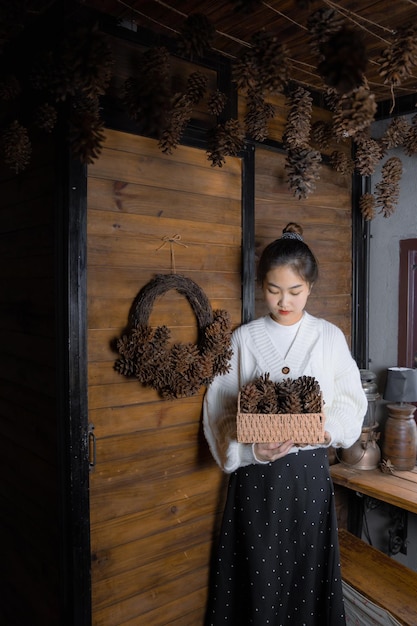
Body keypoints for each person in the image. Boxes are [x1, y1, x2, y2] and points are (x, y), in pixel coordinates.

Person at [203, 222, 367, 626]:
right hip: (257, 479)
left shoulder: (329, 337)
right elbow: (220, 409)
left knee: (307, 579)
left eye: (294, 291)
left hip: (309, 477)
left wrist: (330, 431)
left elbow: (350, 399)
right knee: (258, 578)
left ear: (310, 287)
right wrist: (249, 451)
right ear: (262, 286)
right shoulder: (244, 339)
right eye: (274, 290)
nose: (284, 301)